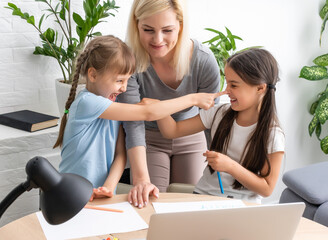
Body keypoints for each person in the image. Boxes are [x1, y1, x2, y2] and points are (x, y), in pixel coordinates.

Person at [53, 35, 221, 202]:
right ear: (93, 75)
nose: (124, 88)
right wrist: (193, 99)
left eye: (127, 80)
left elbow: (120, 155)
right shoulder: (87, 102)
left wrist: (108, 188)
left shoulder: (115, 107)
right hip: (70, 191)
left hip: (94, 193)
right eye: (119, 80)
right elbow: (148, 113)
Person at [117, 0, 220, 206]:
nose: (158, 39)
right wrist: (141, 179)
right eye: (148, 30)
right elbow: (133, 121)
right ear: (136, 24)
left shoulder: (203, 60)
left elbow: (214, 120)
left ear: (181, 26)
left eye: (167, 30)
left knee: (190, 204)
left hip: (190, 136)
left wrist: (220, 171)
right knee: (151, 202)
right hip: (148, 138)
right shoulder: (129, 61)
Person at [156, 48, 285, 203]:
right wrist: (156, 107)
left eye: (234, 85)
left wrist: (230, 166)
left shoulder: (273, 134)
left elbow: (267, 188)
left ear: (260, 88)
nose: (226, 91)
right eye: (227, 83)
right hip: (203, 198)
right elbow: (172, 131)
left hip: (243, 206)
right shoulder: (218, 113)